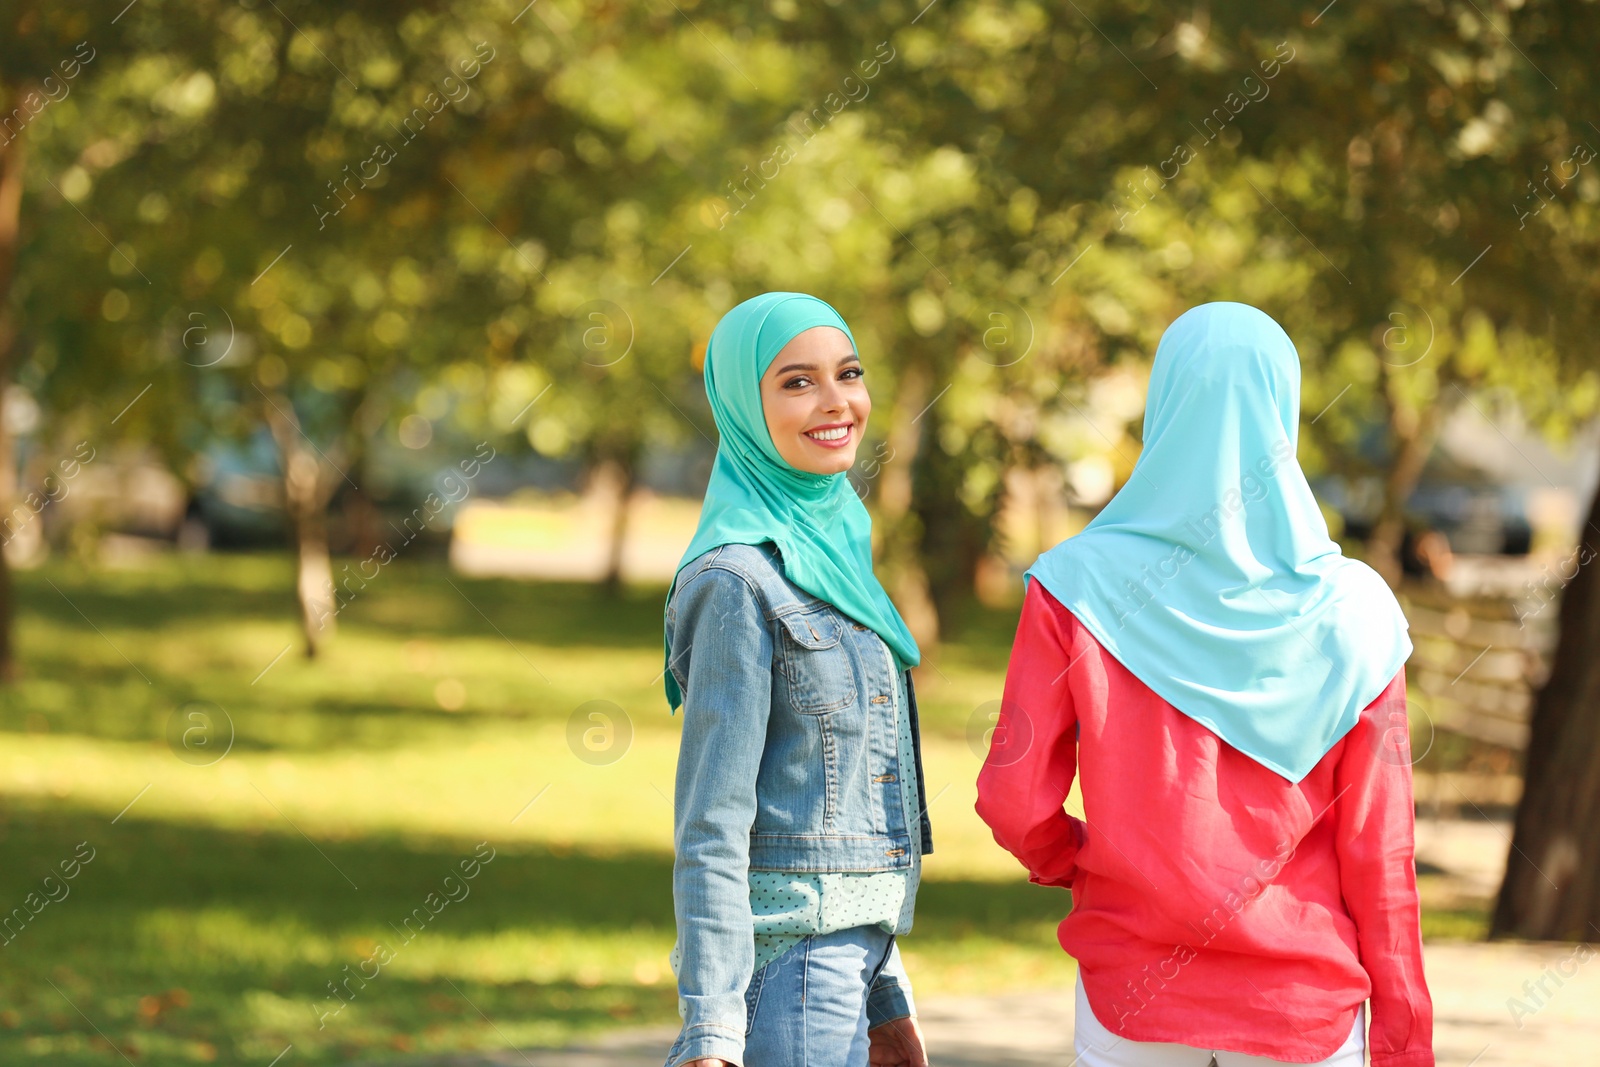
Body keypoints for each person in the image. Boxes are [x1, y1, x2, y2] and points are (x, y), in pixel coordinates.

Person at [976, 302, 1435, 1067]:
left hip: (1132, 997)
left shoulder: (1071, 587)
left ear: (1164, 404)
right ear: (1283, 411)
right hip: (1301, 1010)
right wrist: (1404, 1037)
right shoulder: (1357, 614)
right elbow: (1380, 854)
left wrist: (1085, 868)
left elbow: (1014, 801)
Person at [660, 291, 932, 1067]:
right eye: (796, 381)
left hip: (850, 962)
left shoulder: (835, 559)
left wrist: (887, 994)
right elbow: (712, 821)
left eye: (847, 372)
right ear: (744, 404)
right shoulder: (737, 583)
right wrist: (711, 1029)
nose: (836, 400)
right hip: (792, 975)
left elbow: (833, 810)